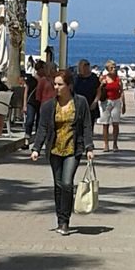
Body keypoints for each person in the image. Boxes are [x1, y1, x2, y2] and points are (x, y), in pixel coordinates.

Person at [31, 67, 95, 235]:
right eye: (55, 84)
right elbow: (42, 129)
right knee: (58, 185)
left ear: (69, 86)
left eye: (60, 84)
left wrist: (89, 147)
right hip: (54, 150)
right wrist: (36, 148)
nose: (56, 88)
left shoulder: (80, 103)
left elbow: (87, 126)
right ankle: (60, 220)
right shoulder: (48, 106)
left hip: (73, 149)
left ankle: (65, 220)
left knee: (67, 183)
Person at [99, 60, 125, 152]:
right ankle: (106, 144)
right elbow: (98, 90)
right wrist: (102, 84)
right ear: (107, 69)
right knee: (105, 124)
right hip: (106, 102)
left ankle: (115, 143)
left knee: (115, 124)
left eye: (115, 67)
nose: (114, 69)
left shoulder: (118, 79)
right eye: (112, 68)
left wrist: (123, 104)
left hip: (116, 101)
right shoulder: (103, 78)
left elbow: (121, 91)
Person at [74, 59, 101, 133]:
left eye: (87, 65)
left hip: (91, 105)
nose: (85, 67)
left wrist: (95, 101)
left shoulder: (93, 77)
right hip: (78, 105)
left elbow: (99, 90)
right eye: (83, 66)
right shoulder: (75, 77)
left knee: (89, 126)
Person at [23, 59, 42, 151]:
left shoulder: (45, 80)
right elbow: (26, 91)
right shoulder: (31, 79)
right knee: (29, 121)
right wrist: (24, 104)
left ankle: (36, 143)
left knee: (40, 123)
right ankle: (27, 140)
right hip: (31, 102)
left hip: (41, 103)